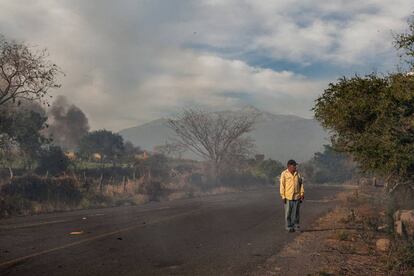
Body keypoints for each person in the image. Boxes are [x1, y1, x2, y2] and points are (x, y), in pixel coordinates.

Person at [279, 159, 304, 232]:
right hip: (288, 197)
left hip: (297, 196)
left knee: (296, 213)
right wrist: (283, 196)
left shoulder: (297, 174)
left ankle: (296, 227)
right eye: (294, 166)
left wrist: (302, 193)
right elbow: (282, 186)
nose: (295, 167)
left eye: (295, 166)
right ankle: (289, 227)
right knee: (288, 213)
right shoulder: (284, 174)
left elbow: (301, 184)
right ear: (289, 166)